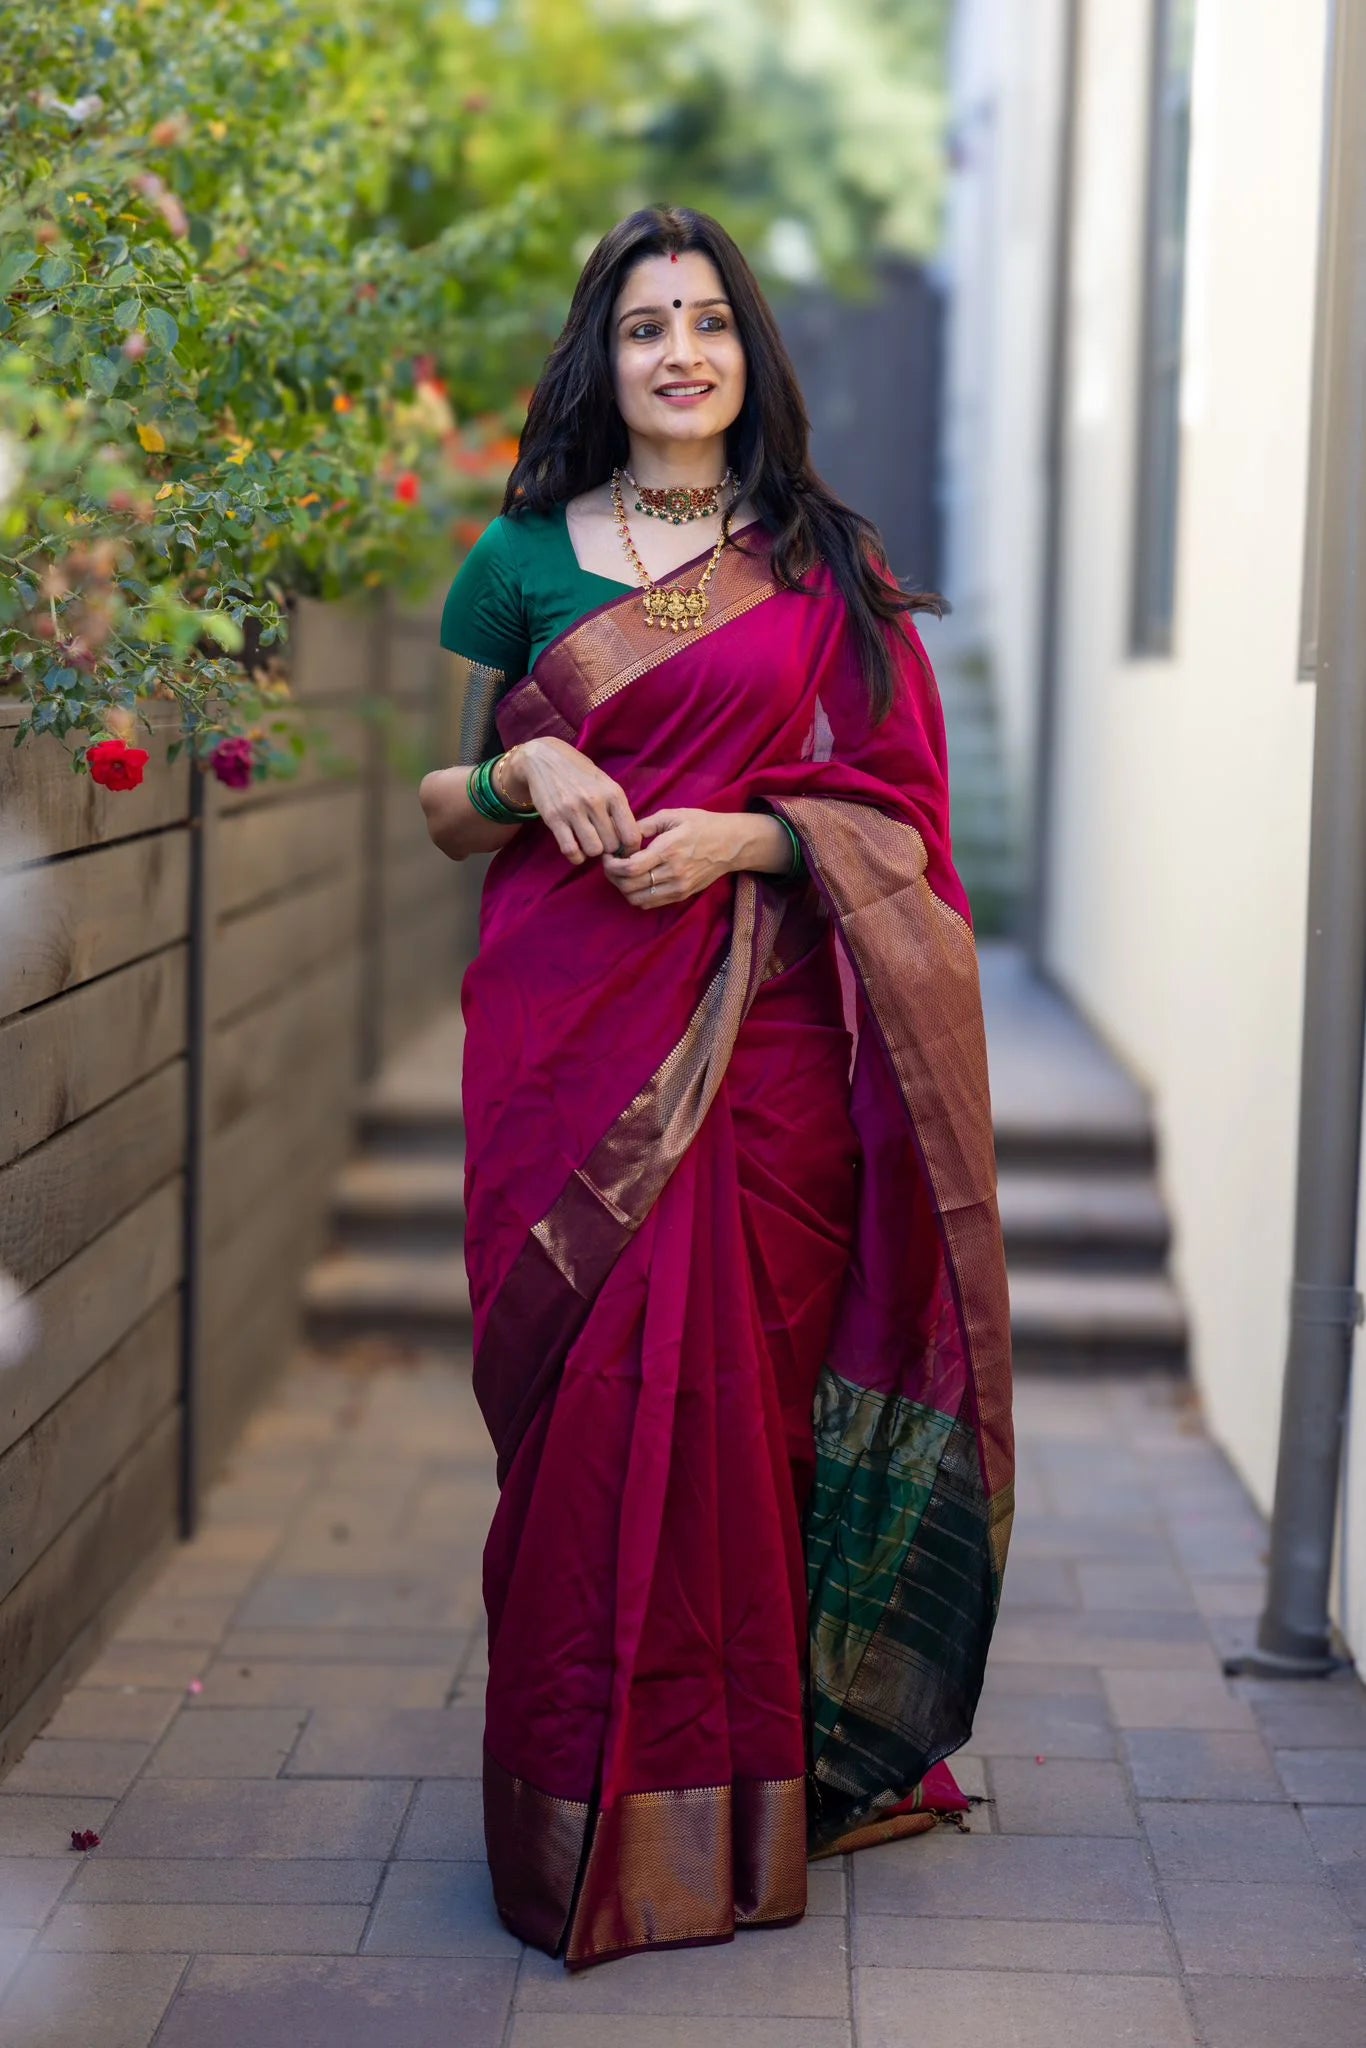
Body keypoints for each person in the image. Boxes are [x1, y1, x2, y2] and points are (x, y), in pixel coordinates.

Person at [419, 204, 1013, 1972]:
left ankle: (733, 1812)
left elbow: (902, 813)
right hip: (562, 1040)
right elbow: (444, 808)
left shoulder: (823, 561)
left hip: (756, 1061)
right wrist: (526, 760)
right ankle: (569, 1815)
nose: (678, 351)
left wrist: (758, 834)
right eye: (642, 326)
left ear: (749, 354)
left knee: (734, 1421)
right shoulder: (520, 555)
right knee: (588, 1423)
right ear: (602, 360)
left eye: (707, 322)